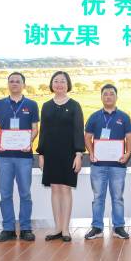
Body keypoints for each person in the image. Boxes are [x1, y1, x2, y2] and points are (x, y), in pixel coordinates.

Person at [0, 72, 39, 242]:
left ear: (24, 85)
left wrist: (28, 142)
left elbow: (35, 129)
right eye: (11, 81)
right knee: (5, 194)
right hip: (4, 156)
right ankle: (8, 229)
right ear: (8, 84)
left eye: (18, 81)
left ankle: (25, 228)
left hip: (24, 157)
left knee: (25, 194)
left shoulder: (31, 105)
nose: (14, 84)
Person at [37, 71, 85, 242]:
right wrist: (41, 153)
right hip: (50, 153)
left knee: (65, 189)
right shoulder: (46, 106)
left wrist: (78, 154)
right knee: (55, 189)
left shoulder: (74, 106)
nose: (59, 84)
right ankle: (57, 227)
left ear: (68, 84)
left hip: (69, 153)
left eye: (62, 81)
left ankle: (65, 229)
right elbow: (43, 131)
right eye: (56, 81)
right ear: (52, 84)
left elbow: (78, 131)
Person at [84, 84, 131, 240]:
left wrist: (127, 154)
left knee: (117, 197)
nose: (108, 96)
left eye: (111, 94)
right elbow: (87, 137)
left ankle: (118, 227)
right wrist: (91, 153)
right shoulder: (94, 116)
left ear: (116, 97)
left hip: (118, 165)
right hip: (98, 165)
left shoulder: (124, 117)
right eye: (105, 94)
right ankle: (97, 227)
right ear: (101, 97)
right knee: (98, 197)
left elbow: (129, 137)